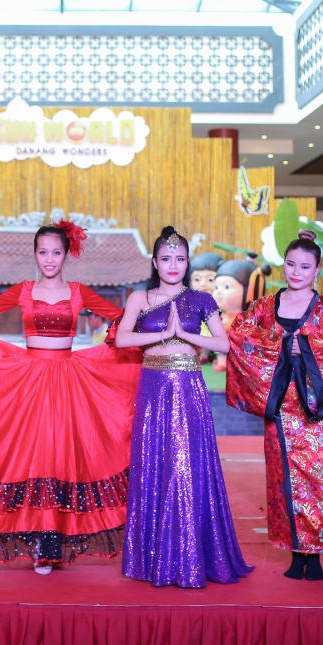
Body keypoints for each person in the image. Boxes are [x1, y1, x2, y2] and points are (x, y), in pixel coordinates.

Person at [0, 221, 141, 574]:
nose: (49, 259)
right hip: (28, 380)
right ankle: (35, 535)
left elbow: (122, 319)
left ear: (66, 255)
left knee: (60, 454)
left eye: (56, 252)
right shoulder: (23, 290)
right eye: (43, 252)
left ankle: (52, 538)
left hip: (69, 381)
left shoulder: (79, 292)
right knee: (29, 455)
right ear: (34, 254)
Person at [225, 230, 323, 581]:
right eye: (291, 264)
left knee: (321, 483)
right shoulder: (264, 307)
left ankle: (315, 554)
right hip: (281, 411)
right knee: (282, 482)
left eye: (305, 266)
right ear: (283, 265)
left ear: (317, 269)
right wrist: (279, 346)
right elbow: (240, 334)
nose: (296, 271)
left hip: (318, 412)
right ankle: (294, 551)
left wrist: (307, 348)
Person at [116, 226, 250, 588]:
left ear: (188, 262)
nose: (173, 265)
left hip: (189, 388)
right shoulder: (140, 298)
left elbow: (224, 345)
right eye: (166, 259)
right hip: (152, 389)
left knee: (187, 467)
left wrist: (185, 335)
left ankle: (192, 555)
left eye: (179, 258)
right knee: (154, 465)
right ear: (155, 263)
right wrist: (163, 334)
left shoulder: (201, 300)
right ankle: (152, 559)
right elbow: (122, 338)